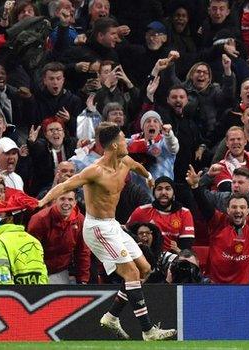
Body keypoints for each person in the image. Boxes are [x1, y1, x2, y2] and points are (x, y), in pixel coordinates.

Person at [38, 121, 176, 340]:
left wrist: (149, 178)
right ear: (113, 146)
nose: (127, 142)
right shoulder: (95, 171)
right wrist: (41, 201)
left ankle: (112, 316)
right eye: (123, 139)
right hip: (97, 229)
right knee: (130, 273)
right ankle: (148, 330)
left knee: (145, 269)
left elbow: (139, 168)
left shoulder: (125, 161)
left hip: (112, 224)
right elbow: (65, 186)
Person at [28, 190, 90, 284]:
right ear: (55, 201)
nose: (66, 203)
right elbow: (30, 252)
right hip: (38, 268)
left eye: (70, 199)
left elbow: (83, 251)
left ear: (75, 203)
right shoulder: (39, 219)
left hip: (61, 270)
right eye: (62, 199)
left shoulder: (80, 220)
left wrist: (83, 280)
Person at [128, 176, 195, 252]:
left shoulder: (184, 213)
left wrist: (177, 252)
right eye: (159, 189)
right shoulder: (141, 211)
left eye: (168, 189)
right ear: (154, 192)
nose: (163, 192)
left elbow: (186, 247)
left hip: (174, 259)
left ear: (173, 193)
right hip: (147, 257)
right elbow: (126, 234)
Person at [0, 211, 48, 285]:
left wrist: (12, 295)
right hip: (36, 293)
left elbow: (2, 273)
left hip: (6, 294)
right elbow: (43, 273)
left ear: (10, 219)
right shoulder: (34, 241)